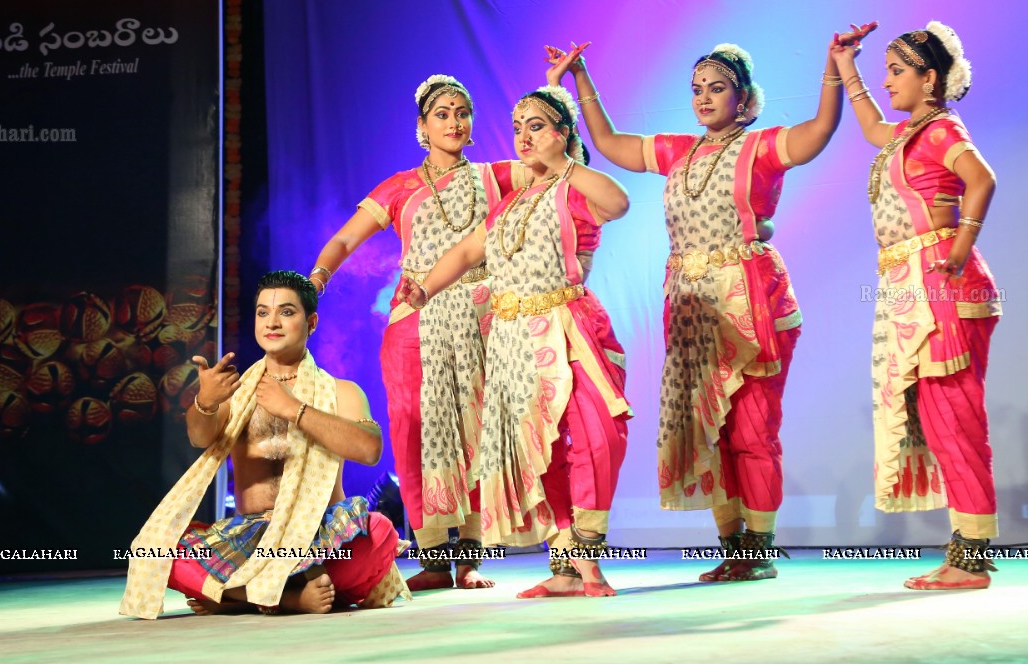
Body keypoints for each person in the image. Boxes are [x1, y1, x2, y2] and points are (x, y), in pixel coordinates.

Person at [545, 30, 865, 581]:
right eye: (697, 89)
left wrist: (836, 67)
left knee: (752, 431)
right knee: (708, 432)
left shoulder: (761, 146)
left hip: (751, 302)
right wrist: (579, 78)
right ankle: (731, 549)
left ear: (743, 96)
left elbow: (818, 133)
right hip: (691, 309)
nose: (704, 98)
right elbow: (611, 142)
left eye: (717, 88)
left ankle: (758, 551)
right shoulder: (679, 151)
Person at [400, 84, 632, 598]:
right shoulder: (510, 205)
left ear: (562, 135)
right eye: (518, 127)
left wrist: (565, 162)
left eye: (537, 126)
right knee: (538, 453)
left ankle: (589, 561)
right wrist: (425, 287)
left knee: (594, 440)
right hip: (510, 343)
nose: (524, 136)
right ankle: (565, 568)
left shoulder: (573, 189)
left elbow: (618, 202)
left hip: (567, 327)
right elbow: (466, 252)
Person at [308, 75, 523, 591]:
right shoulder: (399, 186)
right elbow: (344, 238)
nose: (454, 121)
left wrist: (566, 89)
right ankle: (431, 557)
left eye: (461, 112)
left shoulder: (497, 177)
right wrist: (317, 278)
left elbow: (564, 165)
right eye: (442, 114)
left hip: (481, 318)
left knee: (476, 431)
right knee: (413, 431)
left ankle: (470, 556)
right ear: (422, 127)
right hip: (415, 323)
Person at [119, 270, 410, 618]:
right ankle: (287, 597)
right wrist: (205, 403)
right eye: (262, 312)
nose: (272, 321)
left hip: (321, 535)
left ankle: (234, 595)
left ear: (311, 322)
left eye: (286, 312)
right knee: (157, 549)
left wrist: (294, 409)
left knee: (379, 532)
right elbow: (200, 437)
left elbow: (369, 450)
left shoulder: (341, 391)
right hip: (251, 541)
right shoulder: (238, 391)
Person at [830, 21, 1002, 589]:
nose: (888, 81)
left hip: (942, 287)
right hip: (915, 287)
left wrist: (960, 244)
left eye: (897, 71)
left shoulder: (941, 130)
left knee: (954, 419)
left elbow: (982, 179)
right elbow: (873, 125)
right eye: (886, 71)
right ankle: (967, 549)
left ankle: (971, 558)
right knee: (938, 419)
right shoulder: (908, 134)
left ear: (930, 78)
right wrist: (845, 66)